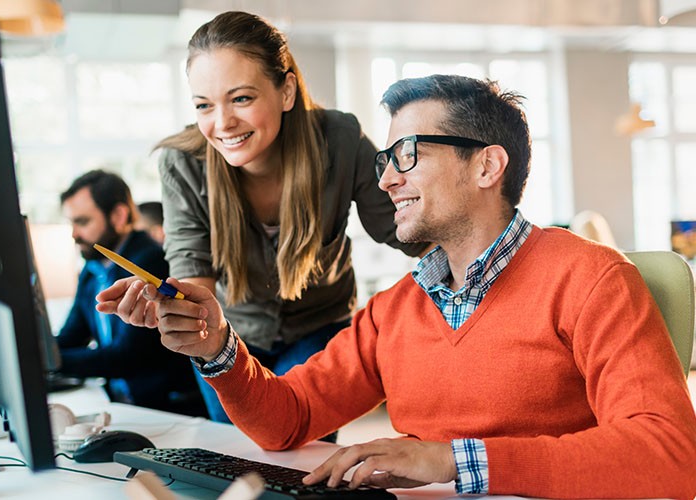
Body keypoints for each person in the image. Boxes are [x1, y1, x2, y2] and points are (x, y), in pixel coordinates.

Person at [98, 74, 696, 498]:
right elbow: (290, 418)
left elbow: (669, 452)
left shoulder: (591, 278)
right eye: (385, 158)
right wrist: (217, 347)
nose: (384, 180)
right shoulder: (395, 309)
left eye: (406, 154)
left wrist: (451, 459)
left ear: (487, 166)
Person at [110, 11, 425, 426]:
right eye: (204, 105)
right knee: (237, 452)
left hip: (318, 327)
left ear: (286, 91)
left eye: (241, 98)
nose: (223, 123)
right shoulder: (183, 162)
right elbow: (192, 274)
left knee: (301, 450)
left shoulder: (339, 140)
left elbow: (407, 231)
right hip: (229, 334)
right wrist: (173, 309)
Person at [57, 169, 205, 417]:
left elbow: (127, 357)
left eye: (82, 222)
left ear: (118, 216)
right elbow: (72, 336)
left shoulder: (149, 261)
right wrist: (32, 353)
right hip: (121, 403)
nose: (74, 234)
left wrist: (49, 362)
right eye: (71, 223)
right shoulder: (92, 270)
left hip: (165, 409)